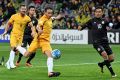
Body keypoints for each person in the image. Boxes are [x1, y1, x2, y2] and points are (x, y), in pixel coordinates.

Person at [16, 6, 61, 77]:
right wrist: (39, 30)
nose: (50, 14)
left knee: (50, 55)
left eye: (51, 13)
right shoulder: (42, 19)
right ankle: (17, 47)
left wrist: (57, 17)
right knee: (26, 55)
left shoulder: (50, 18)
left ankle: (50, 72)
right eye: (48, 13)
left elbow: (53, 18)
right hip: (37, 40)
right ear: (45, 13)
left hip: (45, 42)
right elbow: (38, 26)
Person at [78, 6, 117, 77]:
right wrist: (80, 27)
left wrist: (111, 25)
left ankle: (101, 64)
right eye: (96, 12)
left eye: (99, 12)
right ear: (94, 13)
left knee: (111, 59)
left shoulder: (105, 20)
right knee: (105, 55)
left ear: (102, 13)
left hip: (105, 42)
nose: (98, 13)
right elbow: (82, 27)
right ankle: (112, 73)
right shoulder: (91, 21)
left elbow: (110, 25)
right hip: (97, 43)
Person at [2, 4, 34, 69]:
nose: (24, 10)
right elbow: (8, 24)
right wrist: (5, 31)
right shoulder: (14, 16)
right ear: (19, 9)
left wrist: (33, 31)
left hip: (21, 36)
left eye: (25, 9)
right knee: (14, 47)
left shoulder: (27, 18)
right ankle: (11, 64)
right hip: (14, 34)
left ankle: (8, 63)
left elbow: (32, 26)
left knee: (15, 51)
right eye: (22, 9)